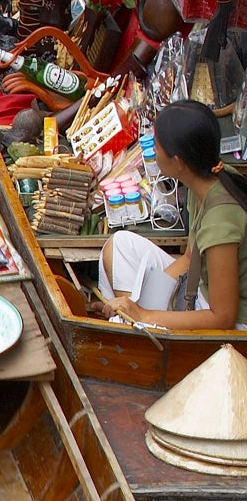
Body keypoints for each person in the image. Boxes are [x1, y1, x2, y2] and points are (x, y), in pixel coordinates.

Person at [100, 101, 247, 330]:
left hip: (227, 322)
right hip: (198, 285)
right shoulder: (207, 178)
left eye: (157, 147)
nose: (153, 152)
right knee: (119, 245)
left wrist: (145, 315)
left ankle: (137, 333)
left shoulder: (220, 221)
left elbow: (223, 318)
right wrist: (142, 302)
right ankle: (129, 320)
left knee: (136, 317)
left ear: (178, 162)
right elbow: (190, 258)